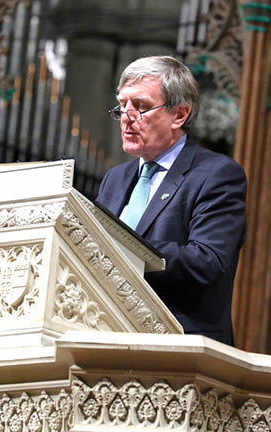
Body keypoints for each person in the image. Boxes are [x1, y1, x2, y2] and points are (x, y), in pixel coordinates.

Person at [96, 56, 246, 345]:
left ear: (179, 115)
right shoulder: (115, 178)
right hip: (107, 334)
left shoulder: (217, 175)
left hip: (179, 344)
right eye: (122, 106)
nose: (127, 117)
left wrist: (126, 249)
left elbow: (207, 261)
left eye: (140, 107)